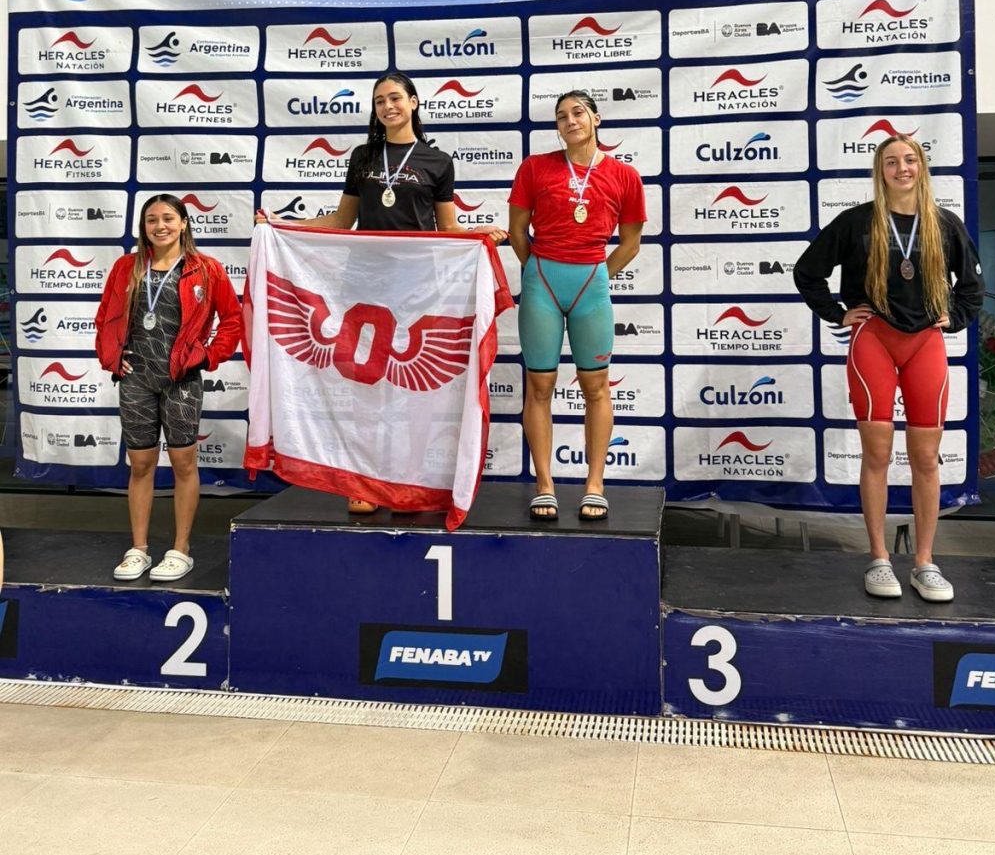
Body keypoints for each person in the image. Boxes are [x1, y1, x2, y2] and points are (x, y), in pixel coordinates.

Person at [259, 70, 506, 514]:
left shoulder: (437, 161)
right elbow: (341, 221)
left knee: (408, 391)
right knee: (366, 384)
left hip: (417, 288)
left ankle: (404, 482)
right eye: (379, 101)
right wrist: (281, 225)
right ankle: (365, 484)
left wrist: (479, 235)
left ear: (413, 102)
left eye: (395, 98)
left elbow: (447, 229)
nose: (388, 106)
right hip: (365, 284)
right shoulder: (363, 157)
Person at [794, 134, 984, 602]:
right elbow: (807, 272)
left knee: (925, 458)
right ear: (880, 171)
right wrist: (838, 313)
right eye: (892, 162)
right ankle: (879, 558)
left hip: (925, 345)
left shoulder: (944, 224)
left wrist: (955, 317)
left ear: (922, 167)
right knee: (877, 455)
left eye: (910, 160)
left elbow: (972, 287)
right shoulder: (857, 222)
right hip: (873, 341)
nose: (902, 168)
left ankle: (925, 562)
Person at [507, 90, 645, 522]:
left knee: (597, 386)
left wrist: (598, 275)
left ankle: (595, 485)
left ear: (596, 119)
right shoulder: (535, 167)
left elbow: (631, 242)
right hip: (543, 283)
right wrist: (537, 273)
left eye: (578, 112)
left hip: (591, 284)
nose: (570, 120)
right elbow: (517, 232)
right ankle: (544, 485)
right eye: (562, 116)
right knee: (539, 386)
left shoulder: (624, 175)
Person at [95, 194, 242, 582]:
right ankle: (139, 549)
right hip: (136, 381)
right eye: (151, 220)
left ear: (184, 223)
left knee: (183, 464)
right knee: (141, 465)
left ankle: (181, 549)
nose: (159, 226)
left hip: (182, 381)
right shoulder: (127, 267)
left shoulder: (206, 269)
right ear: (143, 227)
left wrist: (208, 356)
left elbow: (232, 319)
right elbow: (105, 317)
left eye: (167, 218)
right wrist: (112, 357)